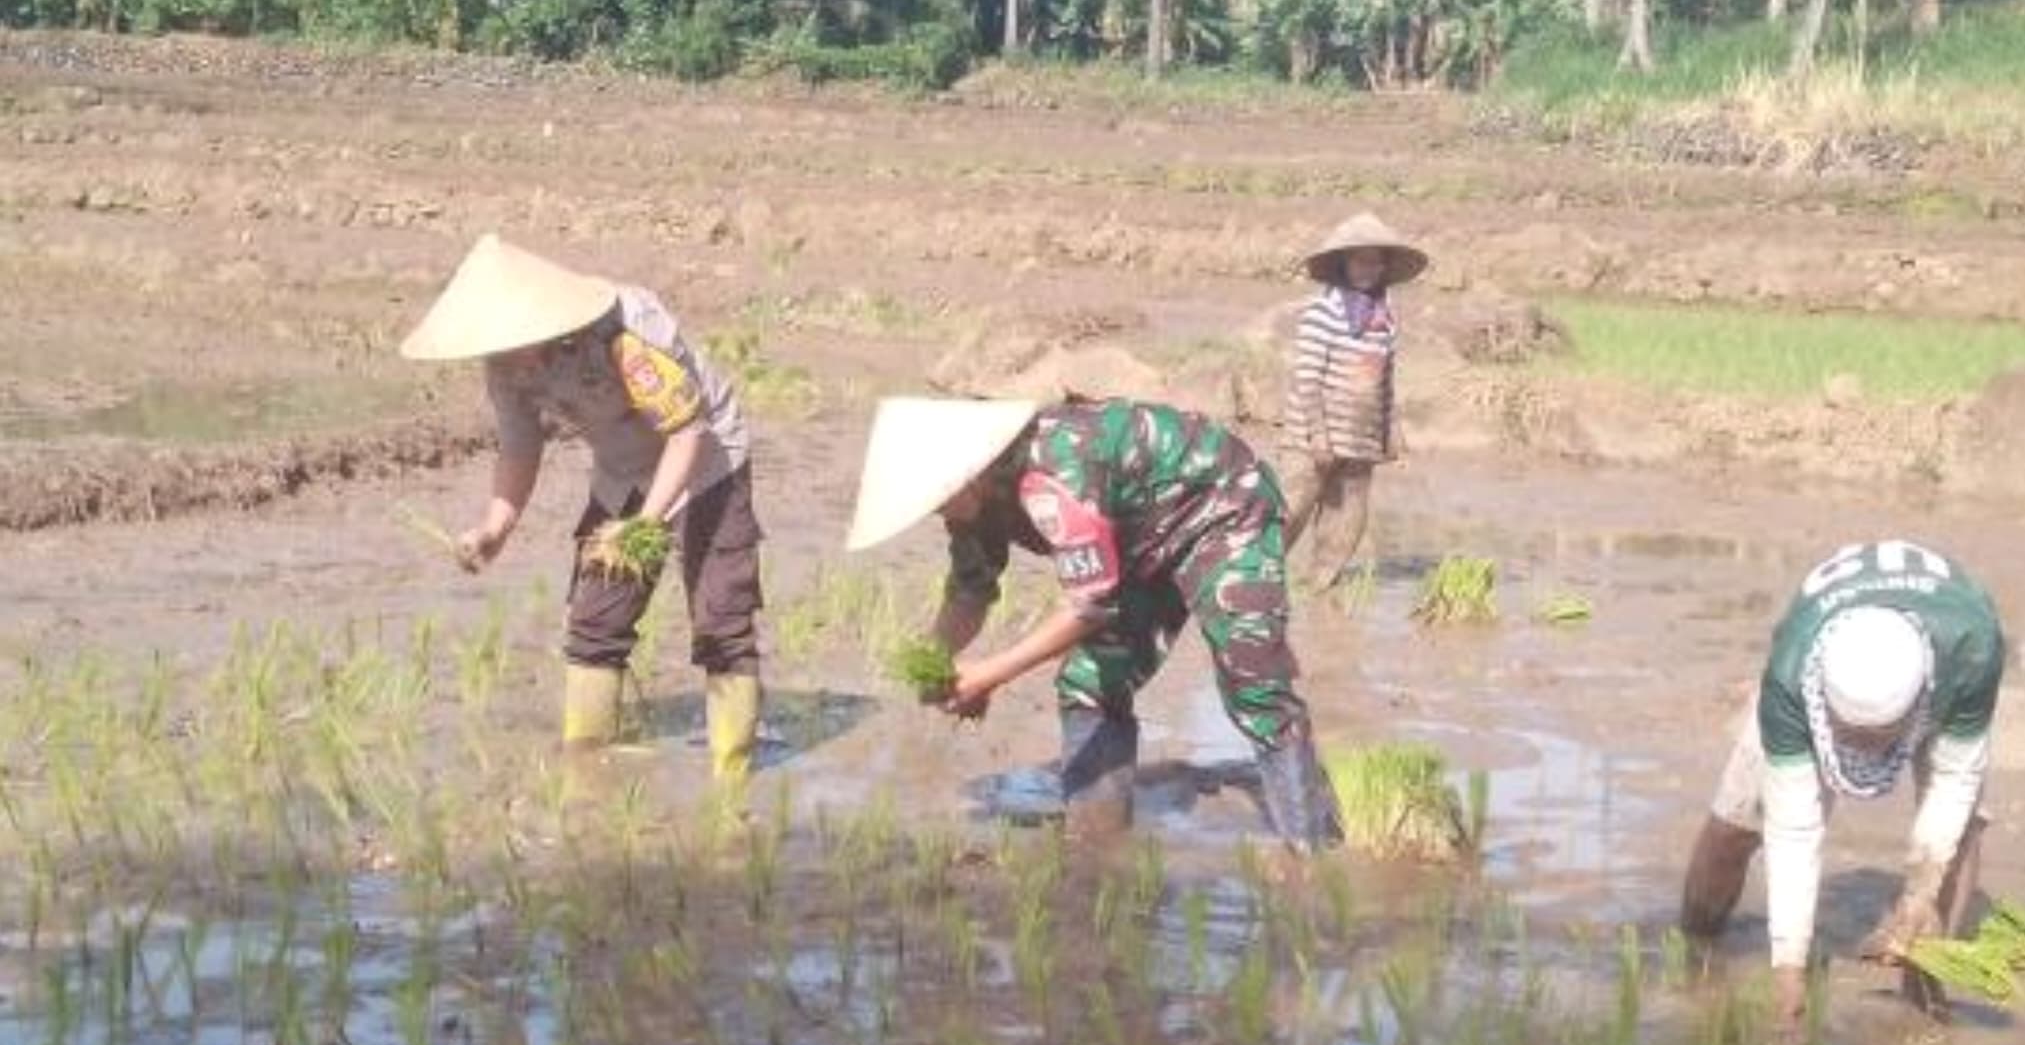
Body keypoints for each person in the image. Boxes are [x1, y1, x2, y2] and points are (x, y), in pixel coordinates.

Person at [844, 389, 1342, 849]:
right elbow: (971, 592)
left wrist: (989, 676)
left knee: (1253, 682)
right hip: (1137, 544)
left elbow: (1088, 607)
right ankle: (1098, 846)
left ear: (965, 474)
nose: (938, 516)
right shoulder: (973, 506)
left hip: (1223, 507)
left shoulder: (1055, 470)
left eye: (936, 501)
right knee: (1089, 683)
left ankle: (1312, 852)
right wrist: (937, 658)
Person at [401, 233, 764, 781]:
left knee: (721, 620)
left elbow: (687, 434)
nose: (501, 355)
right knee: (596, 618)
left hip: (707, 461)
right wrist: (495, 527)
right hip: (622, 472)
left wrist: (643, 527)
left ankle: (731, 780)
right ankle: (586, 767)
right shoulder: (505, 367)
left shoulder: (627, 331)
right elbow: (521, 445)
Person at [1677, 538, 2005, 1031]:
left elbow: (1955, 781)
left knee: (1958, 835)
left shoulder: (1973, 648)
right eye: (1853, 737)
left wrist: (1919, 895)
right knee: (1737, 826)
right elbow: (1793, 831)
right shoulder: (1791, 678)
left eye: (1879, 739)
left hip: (1942, 666)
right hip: (1815, 677)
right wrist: (1787, 970)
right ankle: (1693, 951)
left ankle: (1926, 983)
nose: (1867, 751)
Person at [1282, 211, 1425, 590]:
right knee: (1291, 507)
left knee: (1347, 513)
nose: (1369, 269)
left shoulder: (1385, 318)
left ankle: (1320, 582)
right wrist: (1318, 435)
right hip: (1313, 433)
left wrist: (1391, 429)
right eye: (1360, 260)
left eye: (1375, 261)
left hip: (1361, 436)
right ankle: (1256, 581)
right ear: (1343, 264)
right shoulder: (1321, 312)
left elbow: (1385, 378)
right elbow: (1308, 377)